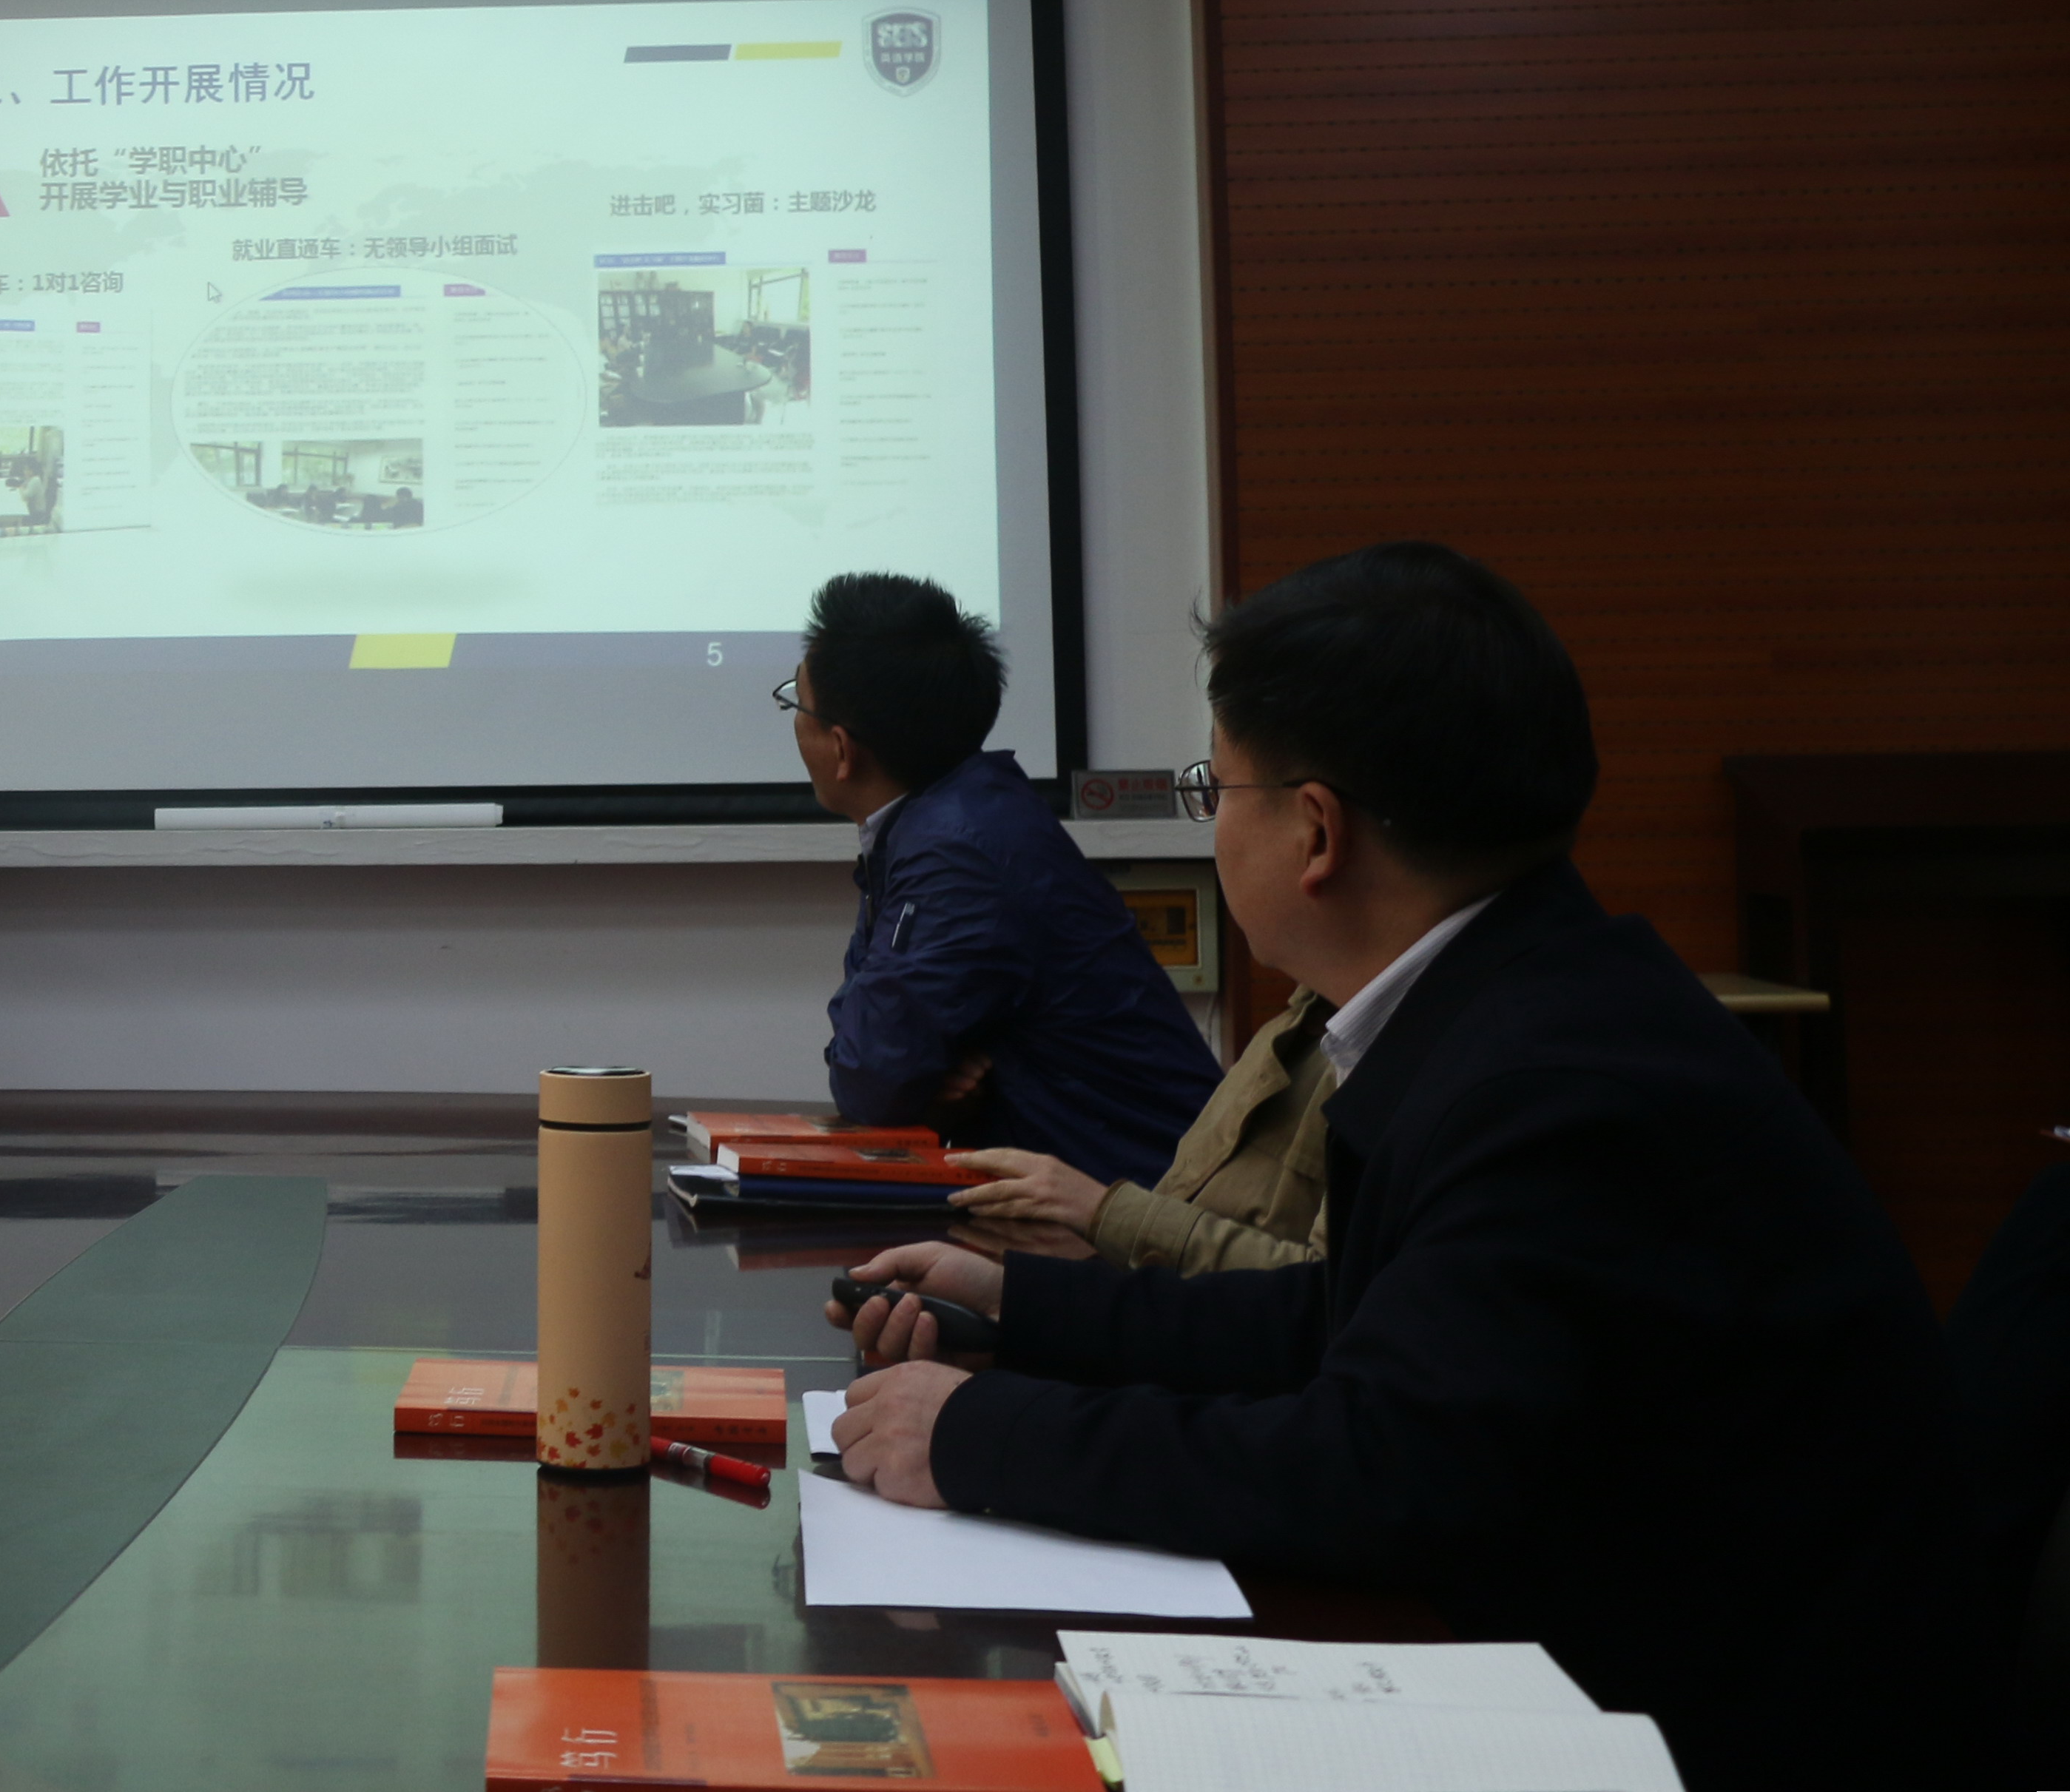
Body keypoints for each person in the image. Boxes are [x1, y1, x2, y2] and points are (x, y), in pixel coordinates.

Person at [823, 545, 1943, 1792]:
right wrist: (1021, 1307)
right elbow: (1343, 1319)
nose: (1210, 822)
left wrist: (979, 1436)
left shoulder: (1553, 1083)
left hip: (1710, 1723)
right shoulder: (1522, 999)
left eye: (1214, 787)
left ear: (1314, 830)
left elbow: (1377, 1468)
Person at [794, 573, 1217, 1184]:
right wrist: (924, 1083)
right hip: (1089, 1188)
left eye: (796, 702)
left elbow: (869, 1080)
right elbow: (880, 1050)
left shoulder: (958, 851)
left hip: (1151, 1207)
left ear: (840, 748)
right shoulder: (955, 816)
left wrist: (915, 1083)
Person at [941, 983, 1336, 1273]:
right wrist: (1011, 1298)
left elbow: (1328, 1299)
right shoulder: (1295, 1023)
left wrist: (1102, 1211)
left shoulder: (1358, 1057)